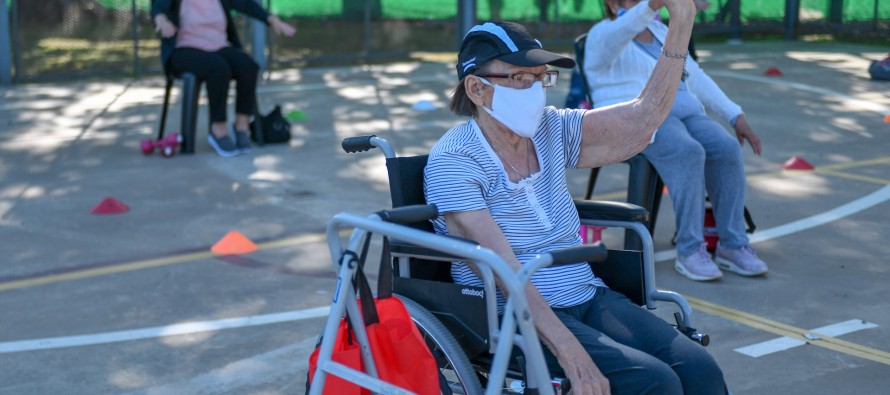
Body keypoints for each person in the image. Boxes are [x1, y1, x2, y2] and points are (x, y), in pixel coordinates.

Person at [423, 1, 727, 393]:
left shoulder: (549, 129)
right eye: (520, 78)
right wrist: (571, 353)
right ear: (477, 88)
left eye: (541, 78)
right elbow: (505, 272)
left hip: (584, 292)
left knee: (699, 368)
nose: (535, 90)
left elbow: (642, 119)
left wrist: (681, 22)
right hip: (511, 313)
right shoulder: (455, 159)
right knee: (655, 383)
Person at [584, 0, 768, 282]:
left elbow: (696, 77)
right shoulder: (601, 35)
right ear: (612, 2)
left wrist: (735, 116)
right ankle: (690, 250)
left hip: (683, 112)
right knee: (688, 151)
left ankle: (733, 245)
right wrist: (653, 4)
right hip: (639, 120)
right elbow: (623, 29)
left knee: (727, 147)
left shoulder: (659, 31)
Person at [151, 0, 296, 157]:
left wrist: (273, 20)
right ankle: (218, 128)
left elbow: (247, 4)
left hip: (218, 45)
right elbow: (159, 6)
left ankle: (242, 125)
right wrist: (161, 19)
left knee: (248, 66)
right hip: (184, 49)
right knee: (219, 68)